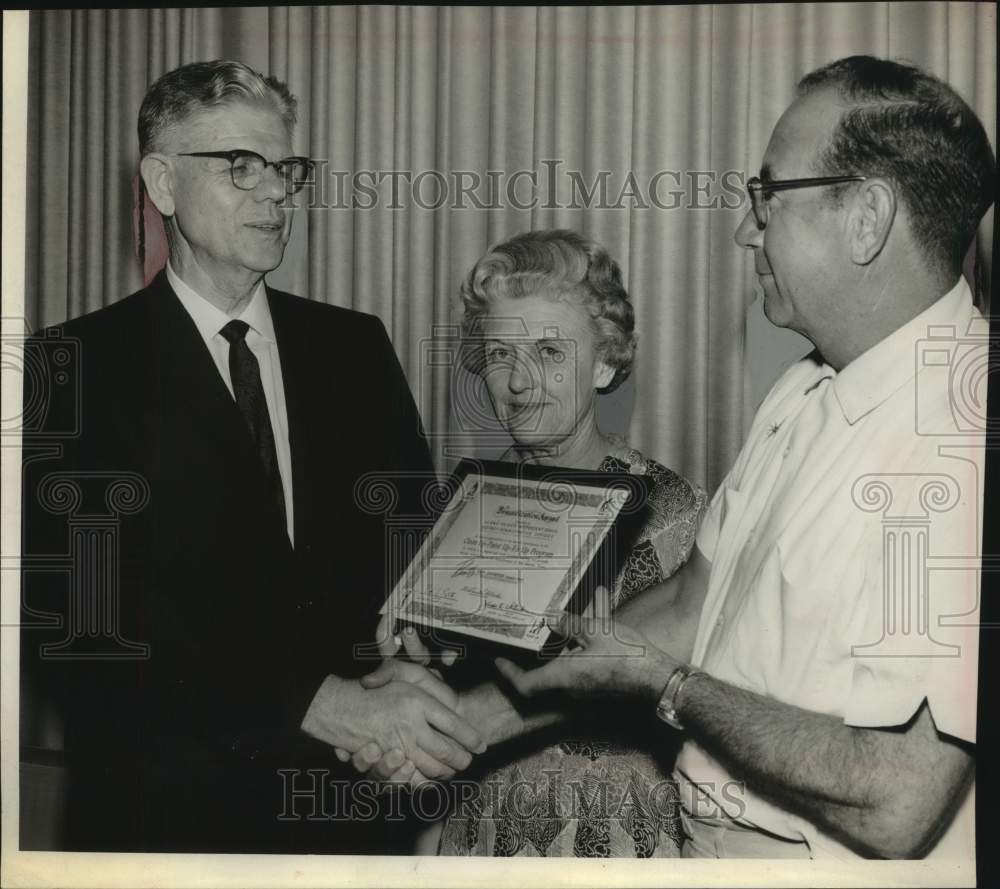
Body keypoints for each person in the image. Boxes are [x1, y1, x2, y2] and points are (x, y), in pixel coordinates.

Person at [358, 56, 993, 860]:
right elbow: (693, 605)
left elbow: (896, 795)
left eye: (769, 195)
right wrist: (460, 724)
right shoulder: (802, 394)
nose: (744, 228)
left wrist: (665, 686)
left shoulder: (958, 435)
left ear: (867, 216)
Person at [19, 59, 484, 854]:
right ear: (163, 184)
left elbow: (410, 548)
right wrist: (321, 702)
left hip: (349, 812)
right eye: (241, 165)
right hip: (165, 822)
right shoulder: (70, 367)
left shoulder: (354, 346)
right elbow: (90, 625)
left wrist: (418, 649)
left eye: (285, 168)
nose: (275, 192)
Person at [353, 230, 706, 856]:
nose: (518, 383)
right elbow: (426, 677)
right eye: (499, 355)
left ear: (603, 362)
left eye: (548, 352)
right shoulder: (464, 507)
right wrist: (402, 673)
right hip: (478, 831)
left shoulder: (672, 513)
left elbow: (692, 697)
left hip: (616, 838)